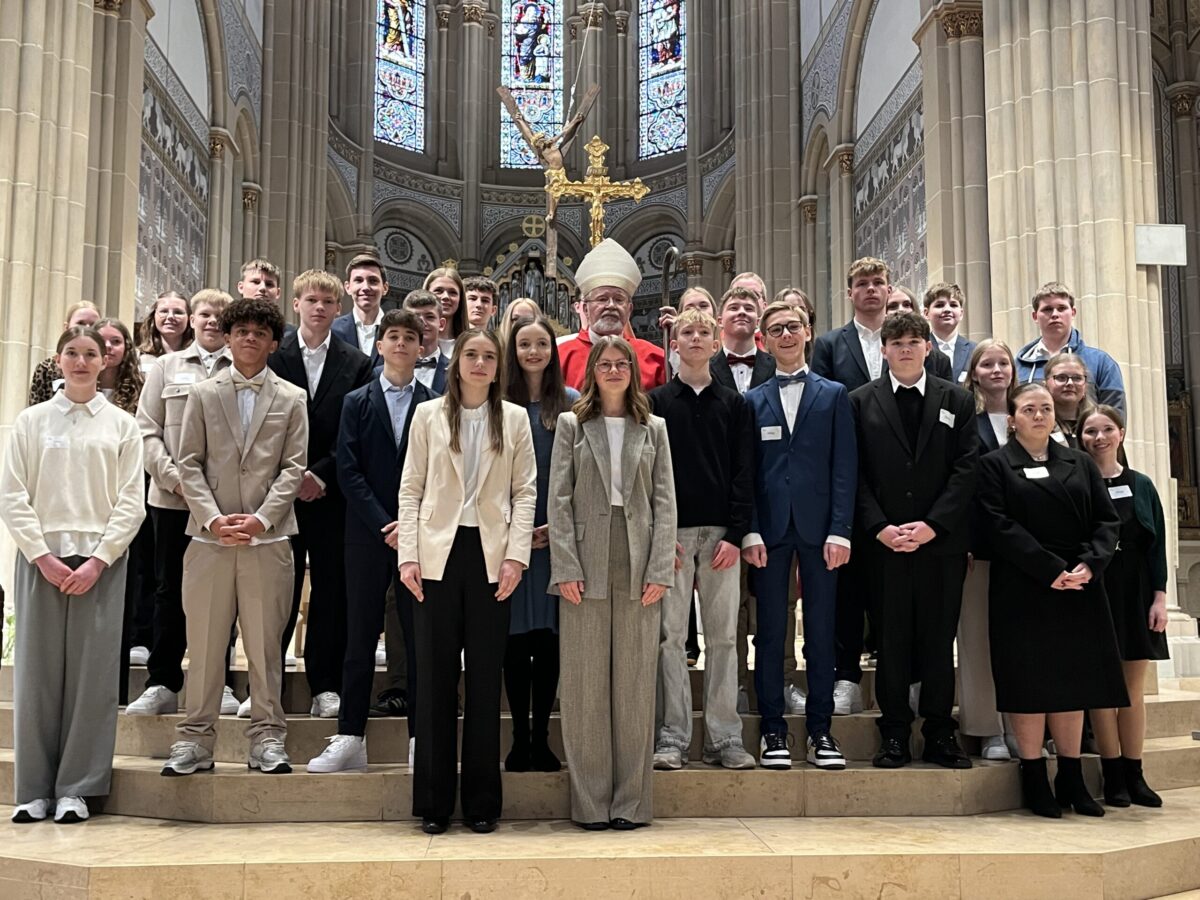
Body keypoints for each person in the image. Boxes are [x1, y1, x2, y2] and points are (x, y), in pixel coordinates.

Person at [1, 325, 145, 823]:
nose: (81, 362)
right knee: (36, 678)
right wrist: (41, 555)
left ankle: (77, 789)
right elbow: (12, 494)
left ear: (105, 361)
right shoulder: (32, 421)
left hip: (100, 563)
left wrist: (100, 559)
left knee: (92, 680)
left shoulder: (122, 425)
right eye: (72, 353)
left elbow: (132, 501)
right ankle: (34, 789)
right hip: (41, 560)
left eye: (90, 354)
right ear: (58, 360)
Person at [396, 329, 537, 834]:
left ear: (498, 368)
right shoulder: (427, 414)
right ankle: (434, 802)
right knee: (434, 678)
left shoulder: (515, 418)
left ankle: (481, 801)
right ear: (456, 363)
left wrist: (516, 557)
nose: (479, 363)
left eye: (489, 357)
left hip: (491, 557)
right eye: (471, 355)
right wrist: (408, 556)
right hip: (436, 554)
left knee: (483, 679)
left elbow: (525, 492)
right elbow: (410, 489)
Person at [161, 298, 308, 777]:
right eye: (241, 330)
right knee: (204, 648)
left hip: (268, 540)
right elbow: (188, 462)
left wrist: (262, 519)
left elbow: (293, 467)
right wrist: (211, 518)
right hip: (210, 540)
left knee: (265, 648)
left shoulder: (292, 397)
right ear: (227, 337)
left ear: (273, 343)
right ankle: (194, 739)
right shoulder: (203, 394)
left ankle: (267, 737)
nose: (249, 338)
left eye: (259, 332)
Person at [977, 382, 1127, 818]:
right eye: (1029, 409)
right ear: (1012, 420)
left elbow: (1106, 521)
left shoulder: (1079, 462)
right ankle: (1034, 776)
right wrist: (1049, 569)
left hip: (1079, 584)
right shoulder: (995, 465)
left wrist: (1089, 565)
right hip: (1024, 584)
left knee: (1072, 681)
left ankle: (1072, 776)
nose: (1039, 415)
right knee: (1030, 682)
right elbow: (997, 525)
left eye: (1045, 408)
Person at [549, 335, 677, 830]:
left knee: (634, 685)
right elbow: (559, 499)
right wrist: (565, 566)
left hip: (639, 558)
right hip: (585, 558)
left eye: (622, 362)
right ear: (592, 371)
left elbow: (665, 502)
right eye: (605, 363)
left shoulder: (654, 427)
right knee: (584, 686)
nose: (614, 370)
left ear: (634, 371)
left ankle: (631, 803)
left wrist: (660, 569)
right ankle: (590, 804)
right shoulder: (572, 424)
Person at [307, 309, 438, 773]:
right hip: (365, 535)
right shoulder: (356, 401)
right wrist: (386, 523)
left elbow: (438, 474)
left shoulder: (434, 404)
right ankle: (350, 736)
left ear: (421, 348)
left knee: (419, 640)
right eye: (392, 336)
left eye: (409, 337)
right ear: (379, 346)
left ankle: (421, 739)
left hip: (419, 538)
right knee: (359, 635)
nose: (401, 344)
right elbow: (348, 470)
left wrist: (409, 525)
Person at [850, 311, 978, 770]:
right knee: (891, 640)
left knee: (939, 641)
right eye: (897, 342)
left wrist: (933, 525)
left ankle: (940, 732)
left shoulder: (958, 399)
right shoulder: (859, 401)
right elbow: (854, 473)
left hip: (939, 545)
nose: (905, 349)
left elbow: (966, 469)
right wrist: (879, 527)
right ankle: (894, 734)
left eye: (913, 341)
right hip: (884, 545)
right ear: (883, 350)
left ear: (928, 347)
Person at [741, 302, 856, 769]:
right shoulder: (752, 400)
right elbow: (747, 474)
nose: (786, 335)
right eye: (776, 329)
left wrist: (841, 530)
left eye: (793, 326)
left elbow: (845, 467)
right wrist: (750, 529)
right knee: (770, 633)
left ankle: (821, 730)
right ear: (764, 340)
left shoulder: (834, 394)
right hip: (769, 531)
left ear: (808, 332)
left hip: (820, 528)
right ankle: (773, 730)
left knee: (822, 633)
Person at [650, 309, 756, 772]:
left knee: (723, 639)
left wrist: (735, 534)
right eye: (686, 332)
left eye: (703, 333)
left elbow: (744, 471)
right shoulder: (655, 402)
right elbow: (648, 473)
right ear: (674, 344)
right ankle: (672, 736)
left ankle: (724, 737)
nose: (695, 338)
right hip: (671, 535)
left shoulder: (734, 404)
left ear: (716, 345)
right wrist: (658, 533)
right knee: (670, 639)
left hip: (719, 538)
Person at [127, 290, 240, 717]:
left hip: (223, 504)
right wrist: (176, 481)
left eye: (220, 315)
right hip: (171, 499)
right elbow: (147, 430)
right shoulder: (166, 367)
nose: (212, 321)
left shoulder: (241, 367)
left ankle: (218, 683)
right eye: (205, 314)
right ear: (193, 319)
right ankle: (162, 682)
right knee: (168, 590)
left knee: (221, 596)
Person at [269, 270, 373, 719]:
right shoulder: (274, 356)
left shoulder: (356, 362)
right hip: (277, 494)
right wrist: (292, 476)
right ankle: (266, 684)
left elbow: (355, 432)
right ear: (296, 304)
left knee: (331, 591)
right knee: (276, 592)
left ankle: (324, 685)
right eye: (311, 300)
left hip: (331, 496)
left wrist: (321, 475)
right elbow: (263, 429)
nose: (319, 308)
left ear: (338, 308)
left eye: (328, 302)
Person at [1080, 405, 1169, 808]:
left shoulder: (1141, 484)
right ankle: (1112, 773)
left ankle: (1135, 773)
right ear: (1080, 438)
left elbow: (1157, 544)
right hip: (1096, 588)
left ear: (1121, 434)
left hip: (1135, 589)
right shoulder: (1079, 483)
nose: (1099, 438)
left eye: (1106, 430)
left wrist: (1160, 597)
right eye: (1090, 431)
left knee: (1133, 690)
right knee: (1103, 688)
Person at [501, 314, 579, 773]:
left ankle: (542, 738)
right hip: (507, 537)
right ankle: (518, 738)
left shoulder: (570, 403)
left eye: (542, 345)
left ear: (553, 351)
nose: (533, 352)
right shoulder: (497, 402)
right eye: (524, 344)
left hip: (556, 537)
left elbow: (579, 473)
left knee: (548, 640)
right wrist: (512, 528)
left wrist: (557, 527)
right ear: (512, 351)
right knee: (515, 640)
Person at [956, 339, 1019, 761]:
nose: (996, 370)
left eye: (1003, 363)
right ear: (974, 374)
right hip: (978, 545)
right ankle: (987, 729)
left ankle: (1022, 723)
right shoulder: (968, 422)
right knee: (977, 638)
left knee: (1020, 641)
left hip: (1026, 548)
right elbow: (961, 484)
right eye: (987, 364)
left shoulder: (1030, 415)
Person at [94, 317, 146, 699]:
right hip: (86, 503)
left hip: (125, 500)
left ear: (127, 348)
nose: (109, 348)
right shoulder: (68, 393)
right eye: (102, 341)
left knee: (125, 589)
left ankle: (116, 688)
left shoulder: (139, 390)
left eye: (116, 341)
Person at [557, 239, 668, 392]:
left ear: (629, 309)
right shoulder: (560, 357)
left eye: (619, 299)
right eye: (602, 299)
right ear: (586, 309)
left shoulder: (654, 358)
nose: (611, 305)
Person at [1015, 281, 1125, 413]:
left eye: (1061, 308)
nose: (1055, 314)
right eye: (1047, 309)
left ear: (1073, 313)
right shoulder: (1018, 367)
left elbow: (1114, 416)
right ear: (1035, 316)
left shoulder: (1101, 363)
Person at [28, 302, 103, 405]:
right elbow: (37, 407)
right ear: (67, 327)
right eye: (81, 323)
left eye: (94, 325)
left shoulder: (104, 366)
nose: (87, 328)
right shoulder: (46, 368)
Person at [332, 254, 391, 367]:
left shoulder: (397, 330)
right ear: (348, 287)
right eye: (358, 280)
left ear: (385, 288)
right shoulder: (332, 330)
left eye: (373, 281)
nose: (366, 288)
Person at [923, 282, 975, 384]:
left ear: (961, 313)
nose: (947, 309)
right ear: (926, 313)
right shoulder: (919, 348)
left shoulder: (975, 350)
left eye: (953, 305)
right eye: (939, 305)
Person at [402, 289, 450, 394]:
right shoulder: (384, 369)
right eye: (414, 317)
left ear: (441, 324)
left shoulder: (457, 371)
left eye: (429, 317)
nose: (422, 322)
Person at [1043, 352, 1095, 448]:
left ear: (1085, 386)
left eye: (1077, 378)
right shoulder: (1039, 424)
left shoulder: (1099, 423)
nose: (1070, 383)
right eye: (1061, 378)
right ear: (1046, 385)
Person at [137, 291, 194, 364]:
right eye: (164, 311)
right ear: (154, 317)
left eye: (178, 312)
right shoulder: (138, 358)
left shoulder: (201, 357)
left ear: (189, 319)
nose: (170, 316)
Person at [424, 267, 467, 358]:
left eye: (453, 292)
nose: (446, 296)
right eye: (438, 291)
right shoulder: (411, 343)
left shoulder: (470, 345)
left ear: (460, 299)